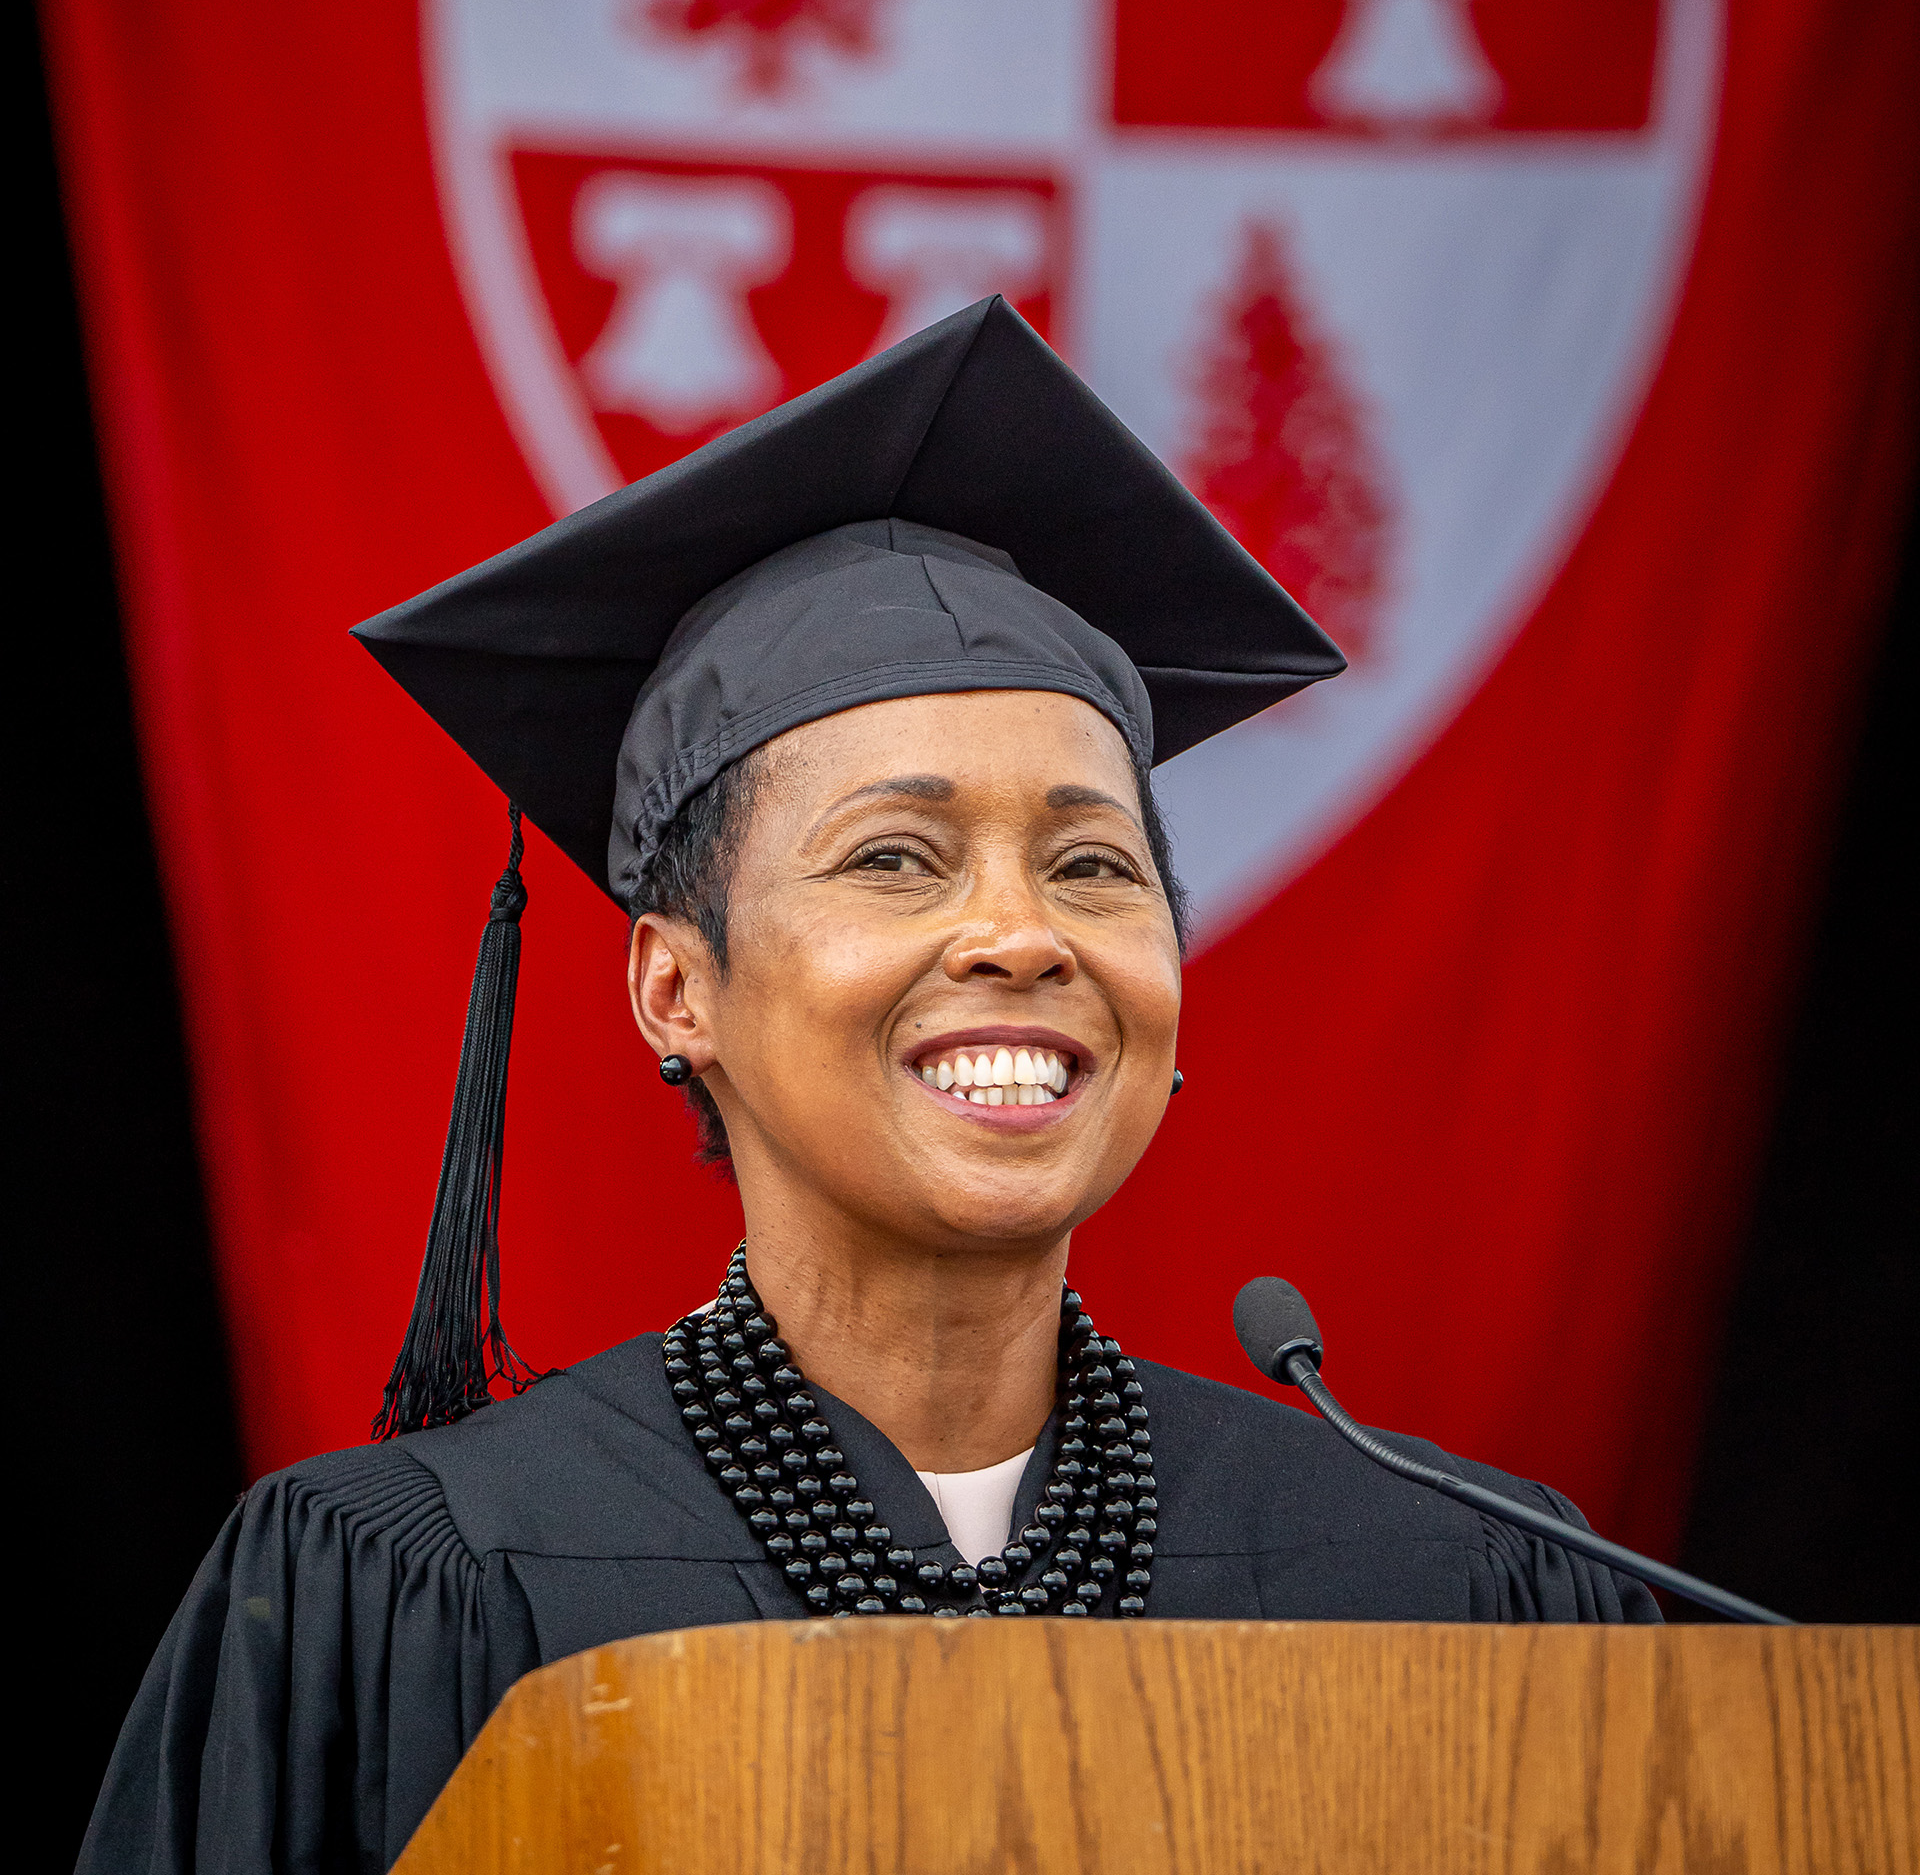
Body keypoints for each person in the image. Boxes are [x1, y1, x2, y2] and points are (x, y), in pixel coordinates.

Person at [80, 299, 1656, 1875]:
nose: (1021, 934)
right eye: (896, 859)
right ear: (674, 986)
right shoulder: (421, 1581)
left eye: (1094, 866)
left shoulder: (1439, 1576)